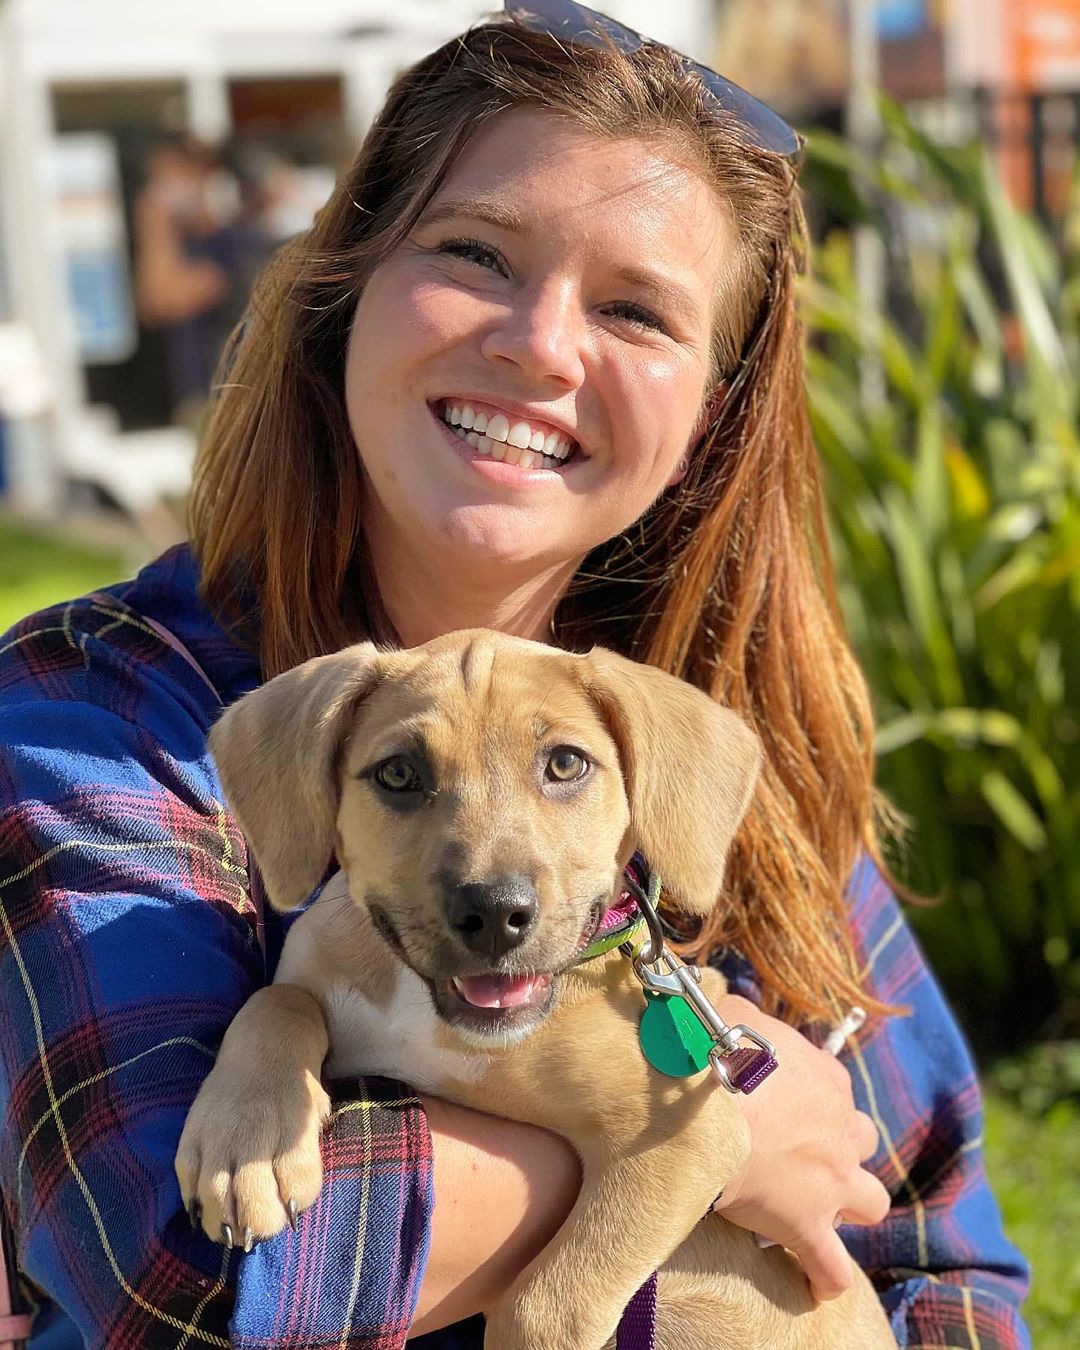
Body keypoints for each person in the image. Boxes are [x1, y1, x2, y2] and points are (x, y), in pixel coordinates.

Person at [0, 3, 1030, 1347]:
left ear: (706, 414)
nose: (542, 345)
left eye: (634, 310)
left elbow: (948, 1264)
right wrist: (720, 1140)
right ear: (346, 280)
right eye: (476, 254)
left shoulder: (700, 743)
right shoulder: (106, 715)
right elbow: (174, 1271)